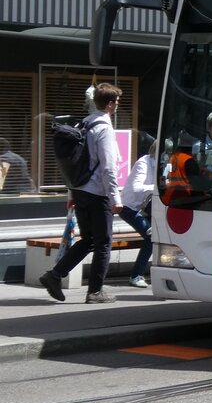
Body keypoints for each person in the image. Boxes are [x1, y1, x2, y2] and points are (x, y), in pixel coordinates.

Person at [39, 82, 123, 304]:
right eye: (117, 102)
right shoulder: (104, 128)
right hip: (97, 193)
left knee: (89, 240)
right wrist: (116, 197)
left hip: (79, 191)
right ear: (110, 104)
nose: (117, 106)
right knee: (103, 243)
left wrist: (70, 195)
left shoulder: (84, 123)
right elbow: (108, 167)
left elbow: (73, 164)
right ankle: (95, 292)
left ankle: (54, 275)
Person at [118, 132, 156, 288]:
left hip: (145, 207)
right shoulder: (144, 163)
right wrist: (158, 187)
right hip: (129, 207)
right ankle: (136, 275)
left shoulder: (160, 166)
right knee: (151, 237)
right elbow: (137, 188)